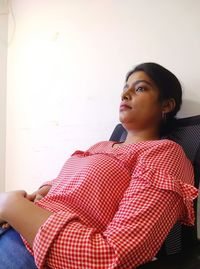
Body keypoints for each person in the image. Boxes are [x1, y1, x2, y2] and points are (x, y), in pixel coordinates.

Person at [0, 62, 198, 269]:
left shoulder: (163, 153)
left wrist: (10, 206)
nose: (125, 94)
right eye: (125, 88)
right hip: (15, 225)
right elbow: (69, 181)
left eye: (140, 88)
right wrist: (43, 191)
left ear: (166, 105)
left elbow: (114, 256)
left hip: (34, 254)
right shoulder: (101, 145)